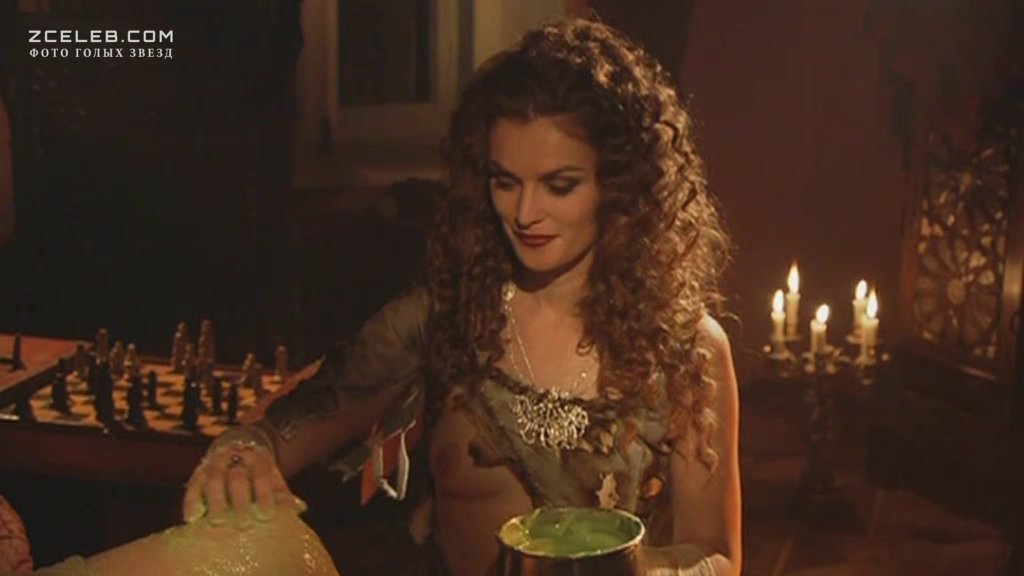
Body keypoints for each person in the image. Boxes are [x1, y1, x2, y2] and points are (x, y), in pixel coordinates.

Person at [183, 17, 740, 576]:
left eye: (558, 185)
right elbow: (283, 427)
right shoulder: (446, 319)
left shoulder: (685, 351)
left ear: (620, 186)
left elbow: (715, 555)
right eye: (505, 182)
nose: (524, 213)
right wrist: (242, 451)